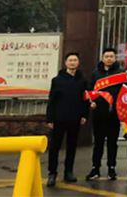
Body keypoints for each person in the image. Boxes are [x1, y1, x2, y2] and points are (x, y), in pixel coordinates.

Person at [46, 52, 89, 187]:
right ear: (65, 63)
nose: (72, 62)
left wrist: (84, 115)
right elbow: (52, 101)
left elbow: (85, 100)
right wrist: (50, 118)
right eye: (70, 60)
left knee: (72, 146)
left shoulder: (82, 81)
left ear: (78, 63)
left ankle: (68, 172)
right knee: (55, 147)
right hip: (59, 118)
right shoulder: (57, 80)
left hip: (75, 118)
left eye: (75, 60)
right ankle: (52, 173)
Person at [86, 48, 127, 181]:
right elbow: (90, 91)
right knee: (98, 142)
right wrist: (91, 102)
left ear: (115, 58)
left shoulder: (121, 73)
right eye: (106, 56)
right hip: (99, 113)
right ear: (102, 58)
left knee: (112, 142)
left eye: (111, 56)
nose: (109, 58)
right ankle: (95, 167)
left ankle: (111, 168)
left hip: (114, 114)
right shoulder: (96, 73)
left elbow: (126, 92)